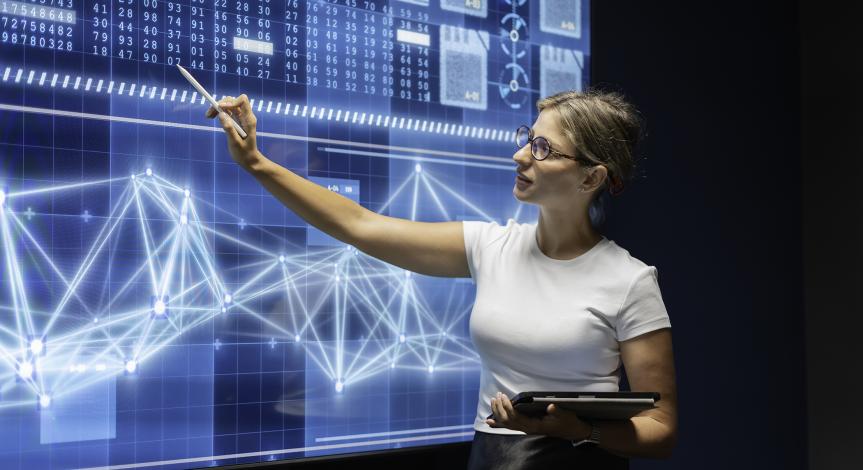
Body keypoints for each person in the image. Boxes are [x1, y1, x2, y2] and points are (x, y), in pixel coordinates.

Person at [206, 89, 678, 469]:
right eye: (527, 137)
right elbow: (359, 225)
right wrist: (256, 162)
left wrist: (575, 430)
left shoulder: (630, 281)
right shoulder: (490, 247)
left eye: (542, 149)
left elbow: (661, 430)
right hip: (493, 457)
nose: (520, 155)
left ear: (591, 178)